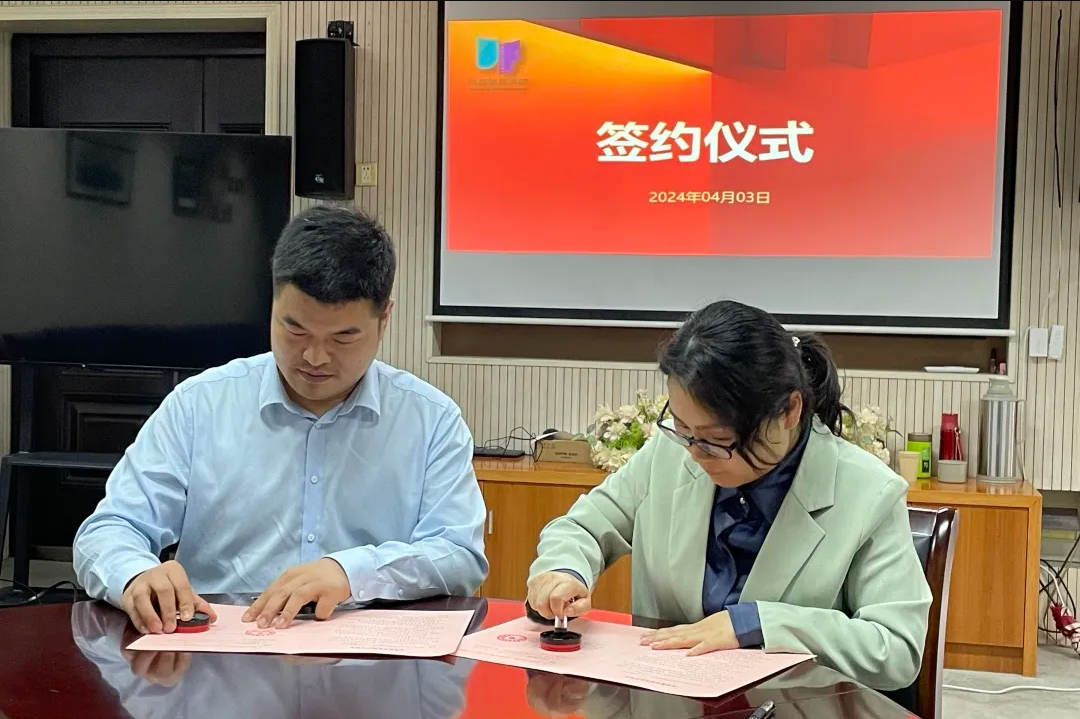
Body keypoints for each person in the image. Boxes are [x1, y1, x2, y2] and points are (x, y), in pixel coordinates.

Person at [73, 205, 488, 634]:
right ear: (271, 305)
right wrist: (136, 574)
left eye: (343, 337)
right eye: (295, 330)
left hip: (368, 655)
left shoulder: (430, 420)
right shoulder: (200, 405)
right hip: (220, 655)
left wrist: (354, 573)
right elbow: (111, 528)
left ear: (384, 319)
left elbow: (459, 556)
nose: (315, 357)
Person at [525, 300, 932, 692]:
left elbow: (896, 649)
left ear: (789, 411)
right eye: (682, 428)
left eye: (718, 440)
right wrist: (564, 571)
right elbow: (585, 527)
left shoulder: (867, 492)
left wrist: (757, 624)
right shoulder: (671, 453)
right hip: (665, 702)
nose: (696, 454)